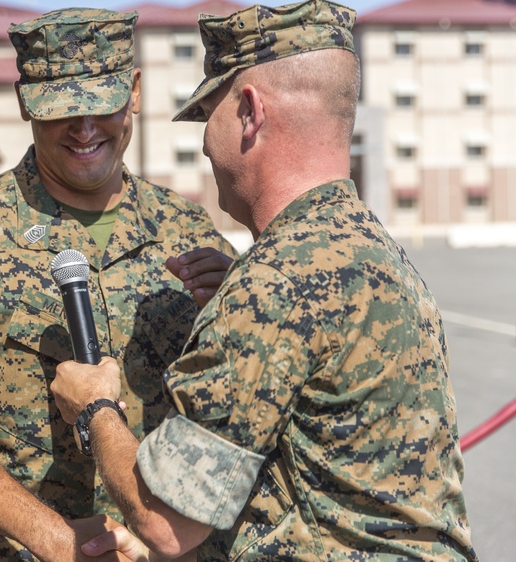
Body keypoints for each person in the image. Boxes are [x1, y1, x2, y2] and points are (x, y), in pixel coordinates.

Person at [50, 2, 479, 561]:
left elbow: (166, 522)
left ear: (249, 112)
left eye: (210, 112)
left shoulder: (276, 285)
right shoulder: (372, 251)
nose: (205, 141)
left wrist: (96, 409)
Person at [0, 7, 236, 560]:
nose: (85, 128)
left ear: (135, 93)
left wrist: (233, 312)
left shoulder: (189, 232)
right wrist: (59, 540)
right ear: (26, 103)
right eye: (61, 110)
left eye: (101, 104)